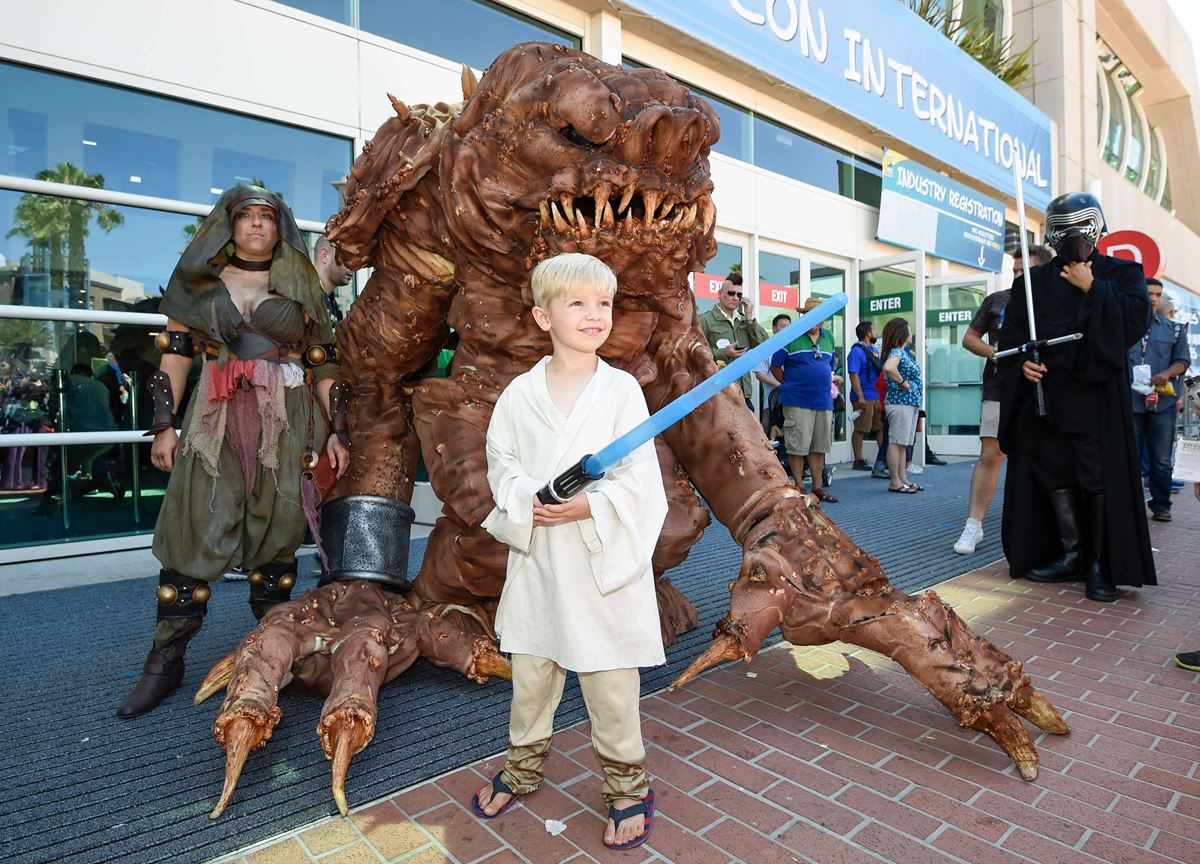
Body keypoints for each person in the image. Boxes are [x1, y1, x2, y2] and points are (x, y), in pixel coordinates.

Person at [116, 185, 351, 718]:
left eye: (266, 217)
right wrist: (162, 426)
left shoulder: (300, 281)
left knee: (278, 538)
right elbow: (174, 357)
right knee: (194, 526)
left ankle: (277, 658)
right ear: (229, 223)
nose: (256, 225)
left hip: (286, 421)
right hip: (213, 419)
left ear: (279, 226)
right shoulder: (198, 282)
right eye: (245, 216)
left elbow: (322, 361)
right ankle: (166, 662)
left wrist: (337, 430)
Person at [471, 253, 665, 851]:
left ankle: (627, 785)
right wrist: (529, 498)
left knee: (610, 680)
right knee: (532, 671)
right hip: (541, 559)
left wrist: (591, 505)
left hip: (599, 560)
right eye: (577, 303)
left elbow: (641, 480)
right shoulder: (519, 395)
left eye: (603, 303)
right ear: (541, 315)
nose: (594, 315)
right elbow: (500, 463)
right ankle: (524, 766)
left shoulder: (622, 390)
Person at [998, 191, 1155, 602]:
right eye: (1062, 229)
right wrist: (1022, 364)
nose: (1072, 237)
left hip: (1096, 397)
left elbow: (1136, 322)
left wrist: (1095, 289)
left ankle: (1100, 562)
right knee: (1054, 473)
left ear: (1098, 227)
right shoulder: (1030, 284)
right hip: (1046, 396)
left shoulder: (1122, 274)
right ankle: (1071, 552)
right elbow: (1012, 339)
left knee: (1095, 476)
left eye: (1080, 227)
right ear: (1049, 233)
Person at [953, 244, 1053, 554]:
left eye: (1025, 271)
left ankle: (1044, 524)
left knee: (1043, 457)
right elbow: (969, 338)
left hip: (1042, 389)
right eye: (1014, 271)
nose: (1017, 276)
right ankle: (974, 526)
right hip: (999, 387)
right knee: (991, 454)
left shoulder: (1052, 302)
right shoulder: (997, 301)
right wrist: (994, 353)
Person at [1129, 277, 1190, 522]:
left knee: (1161, 459)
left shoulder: (1174, 329)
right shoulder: (1125, 327)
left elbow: (1183, 362)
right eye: (1149, 293)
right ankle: (1130, 505)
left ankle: (1161, 505)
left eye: (1157, 293)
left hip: (1162, 403)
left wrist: (1165, 373)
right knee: (1130, 457)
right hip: (1130, 402)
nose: (1153, 297)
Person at [771, 297, 841, 503]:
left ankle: (818, 487)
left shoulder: (828, 337)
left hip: (823, 400)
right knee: (797, 446)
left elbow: (830, 366)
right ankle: (800, 486)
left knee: (819, 445)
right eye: (813, 317)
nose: (816, 322)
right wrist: (790, 384)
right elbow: (775, 366)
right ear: (805, 316)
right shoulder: (790, 336)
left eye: (821, 318)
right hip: (797, 400)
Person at [698, 273, 768, 409]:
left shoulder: (745, 320)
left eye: (739, 295)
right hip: (718, 393)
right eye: (731, 293)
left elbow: (764, 345)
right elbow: (697, 353)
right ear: (720, 294)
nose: (735, 298)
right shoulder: (705, 320)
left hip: (743, 393)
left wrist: (749, 318)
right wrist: (723, 353)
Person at [880, 318, 923, 493]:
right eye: (909, 330)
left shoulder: (903, 352)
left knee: (903, 443)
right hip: (900, 403)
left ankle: (902, 477)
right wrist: (903, 382)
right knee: (897, 442)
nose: (911, 333)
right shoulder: (897, 352)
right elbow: (889, 368)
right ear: (902, 333)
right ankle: (895, 481)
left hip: (908, 404)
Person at [847, 320, 882, 471]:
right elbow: (853, 375)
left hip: (876, 395)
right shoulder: (856, 352)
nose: (875, 332)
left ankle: (883, 459)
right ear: (868, 332)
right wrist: (860, 397)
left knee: (881, 427)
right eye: (873, 329)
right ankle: (858, 460)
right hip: (864, 396)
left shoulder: (873, 350)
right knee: (861, 428)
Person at [754, 313, 790, 433]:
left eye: (789, 326)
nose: (786, 329)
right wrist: (780, 386)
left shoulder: (794, 347)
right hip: (772, 405)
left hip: (792, 403)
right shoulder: (767, 348)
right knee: (770, 440)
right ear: (774, 328)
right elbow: (759, 374)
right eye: (783, 326)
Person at [312, 233, 354, 327]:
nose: (353, 266)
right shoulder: (302, 295)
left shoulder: (331, 301)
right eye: (347, 258)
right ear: (324, 256)